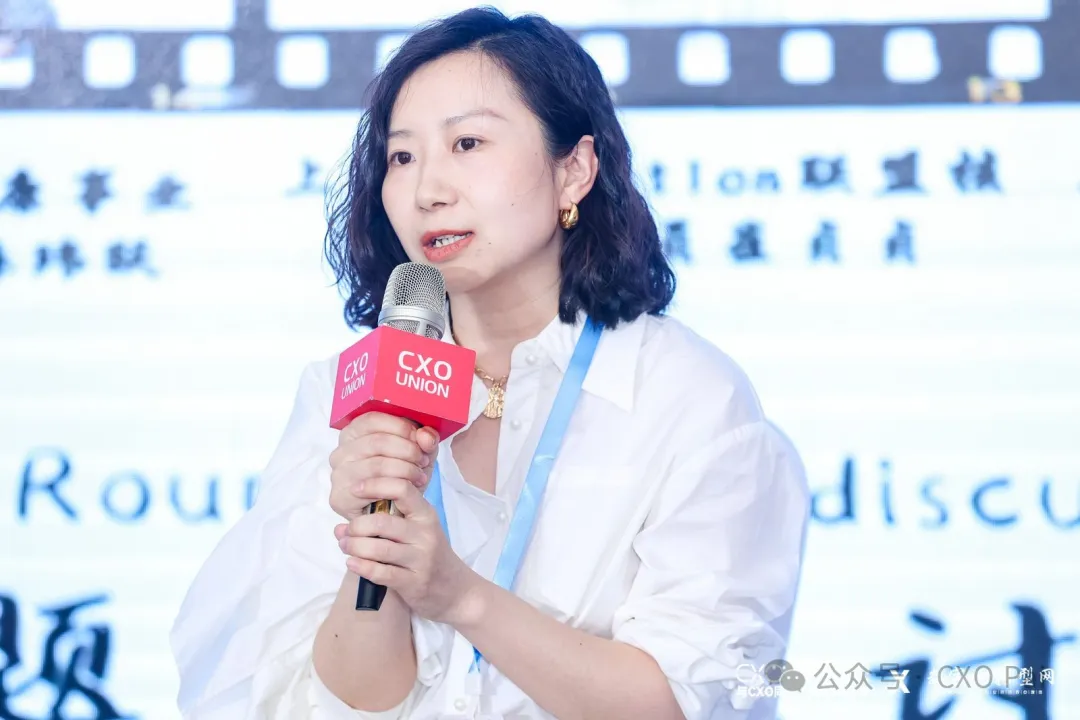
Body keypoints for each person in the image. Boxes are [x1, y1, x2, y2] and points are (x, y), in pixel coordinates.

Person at [170, 7, 809, 719]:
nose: (427, 190)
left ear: (574, 170)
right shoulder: (348, 390)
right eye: (402, 157)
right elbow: (355, 697)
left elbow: (689, 702)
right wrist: (374, 552)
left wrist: (460, 596)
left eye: (467, 143)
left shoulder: (688, 398)